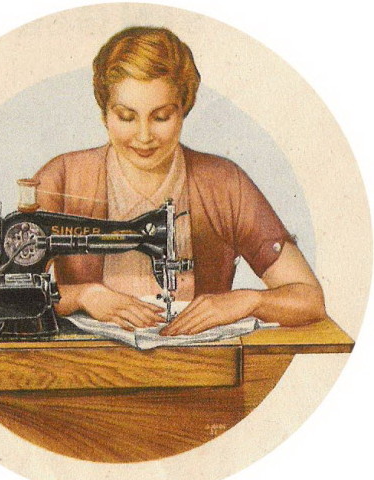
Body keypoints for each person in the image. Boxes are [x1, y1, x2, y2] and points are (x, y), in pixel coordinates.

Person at [33, 26, 326, 335]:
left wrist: (248, 301)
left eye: (161, 117)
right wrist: (83, 295)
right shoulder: (61, 178)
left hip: (199, 361)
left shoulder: (224, 184)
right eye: (126, 117)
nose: (144, 136)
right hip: (84, 361)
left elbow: (310, 299)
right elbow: (9, 295)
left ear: (184, 109)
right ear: (104, 113)